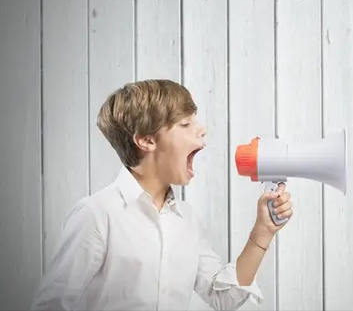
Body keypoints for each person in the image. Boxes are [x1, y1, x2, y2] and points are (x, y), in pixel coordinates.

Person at [31, 79, 293, 311]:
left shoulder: (186, 220)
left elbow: (223, 297)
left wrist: (262, 232)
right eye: (185, 123)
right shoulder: (97, 215)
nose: (202, 129)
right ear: (147, 141)